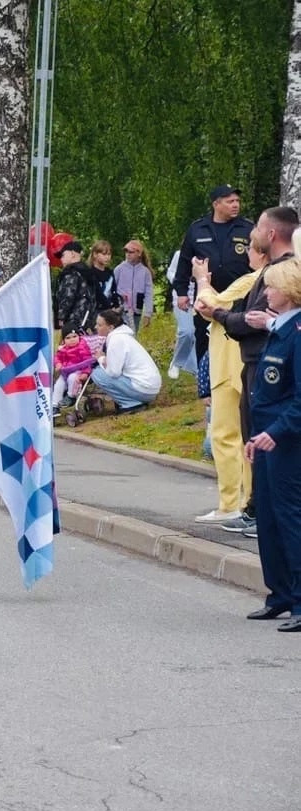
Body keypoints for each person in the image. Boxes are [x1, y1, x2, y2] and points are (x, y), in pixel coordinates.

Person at [199, 206, 298, 529]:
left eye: (258, 226)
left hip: (262, 362)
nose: (251, 232)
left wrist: (213, 303)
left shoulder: (281, 273)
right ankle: (256, 508)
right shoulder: (270, 274)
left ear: (270, 234)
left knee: (254, 433)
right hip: (255, 360)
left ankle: (256, 509)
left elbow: (228, 310)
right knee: (251, 433)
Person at [242, 256, 301, 631]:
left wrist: (275, 432)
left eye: (273, 286)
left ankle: (299, 599)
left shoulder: (296, 333)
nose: (267, 293)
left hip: (286, 442)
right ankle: (278, 593)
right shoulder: (280, 330)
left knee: (289, 518)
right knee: (267, 517)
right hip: (265, 439)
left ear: (292, 291)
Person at [192, 250, 261, 526]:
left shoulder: (252, 280)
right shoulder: (267, 278)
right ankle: (243, 503)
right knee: (243, 435)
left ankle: (234, 503)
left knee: (228, 436)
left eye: (253, 249)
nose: (249, 255)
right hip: (239, 363)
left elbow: (209, 305)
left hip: (230, 363)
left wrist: (201, 280)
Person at [172, 184, 255, 362]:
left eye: (237, 201)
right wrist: (181, 292)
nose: (235, 205)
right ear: (216, 204)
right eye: (230, 201)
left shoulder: (247, 227)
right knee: (204, 339)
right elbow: (185, 261)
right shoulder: (197, 228)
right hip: (206, 296)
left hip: (239, 296)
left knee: (236, 340)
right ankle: (205, 385)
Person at [89, 308, 161, 413]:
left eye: (99, 325)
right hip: (149, 388)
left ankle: (130, 404)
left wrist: (100, 358)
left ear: (110, 327)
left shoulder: (116, 340)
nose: (96, 327)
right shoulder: (123, 337)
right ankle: (134, 400)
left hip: (144, 389)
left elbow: (113, 372)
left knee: (97, 374)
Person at [54, 240, 101, 332]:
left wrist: (61, 317)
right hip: (87, 319)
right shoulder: (88, 272)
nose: (61, 259)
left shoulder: (71, 273)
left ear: (72, 254)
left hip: (72, 320)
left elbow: (67, 296)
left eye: (63, 255)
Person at [51, 324, 95, 411]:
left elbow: (88, 362)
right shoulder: (62, 349)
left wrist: (85, 373)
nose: (72, 340)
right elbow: (57, 358)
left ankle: (71, 396)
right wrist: (58, 364)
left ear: (79, 336)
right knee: (58, 385)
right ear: (63, 340)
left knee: (72, 378)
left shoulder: (82, 347)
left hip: (78, 371)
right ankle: (55, 405)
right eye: (68, 338)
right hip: (65, 372)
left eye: (75, 336)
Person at [114, 240, 154, 331]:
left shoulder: (145, 272)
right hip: (120, 310)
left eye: (131, 252)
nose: (128, 254)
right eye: (126, 251)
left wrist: (148, 313)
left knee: (132, 334)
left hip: (136, 310)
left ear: (139, 253)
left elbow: (149, 293)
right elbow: (112, 289)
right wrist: (117, 299)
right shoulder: (119, 269)